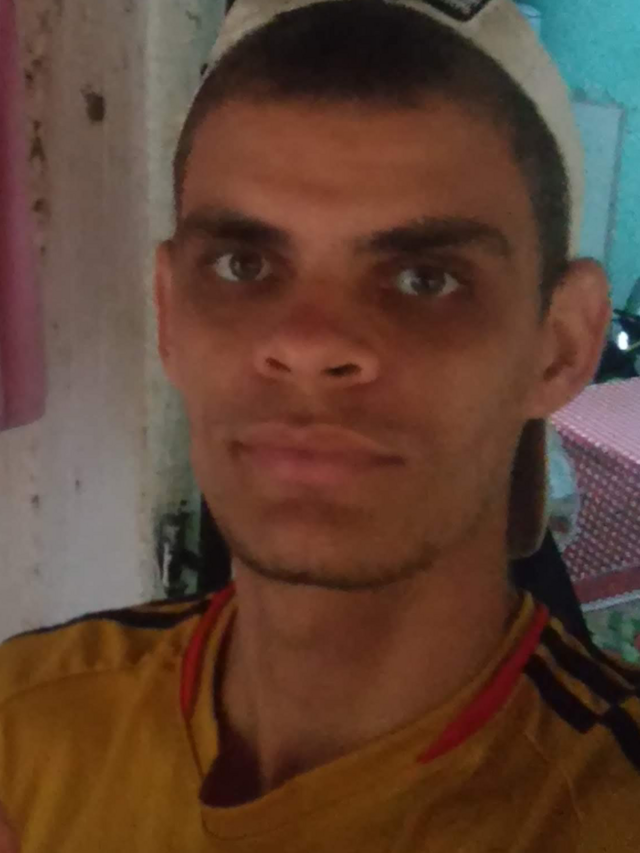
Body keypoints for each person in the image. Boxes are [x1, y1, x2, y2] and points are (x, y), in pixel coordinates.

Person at [0, 1, 637, 850]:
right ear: (168, 314)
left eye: (424, 279)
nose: (309, 343)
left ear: (559, 346)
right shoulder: (24, 727)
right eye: (244, 265)